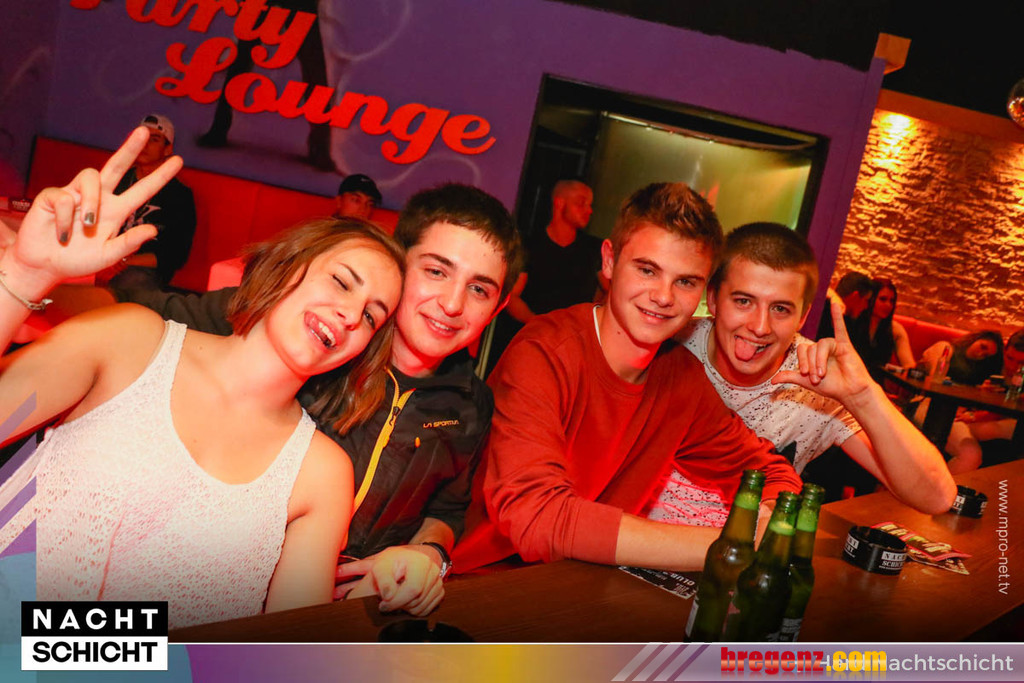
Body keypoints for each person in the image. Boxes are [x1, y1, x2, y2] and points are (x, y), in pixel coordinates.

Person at [0, 128, 405, 629]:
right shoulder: (130, 341)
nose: (350, 314)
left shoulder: (321, 473)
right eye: (342, 281)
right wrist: (23, 276)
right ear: (285, 266)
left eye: (371, 316)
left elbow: (290, 647)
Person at [111, 182, 524, 615]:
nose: (452, 303)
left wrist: (428, 556)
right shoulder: (314, 331)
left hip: (343, 614)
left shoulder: (471, 404)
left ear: (499, 307)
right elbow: (133, 313)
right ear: (399, 264)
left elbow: (447, 509)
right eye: (436, 271)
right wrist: (61, 276)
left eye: (480, 289)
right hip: (207, 589)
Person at [452, 183, 802, 574]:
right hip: (478, 582)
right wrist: (730, 546)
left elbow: (768, 470)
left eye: (686, 282)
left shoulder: (681, 378)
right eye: (647, 270)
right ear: (609, 261)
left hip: (579, 583)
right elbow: (536, 517)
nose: (664, 296)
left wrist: (770, 518)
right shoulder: (544, 352)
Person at [646, 223, 954, 525]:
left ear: (803, 316)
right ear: (713, 299)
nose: (760, 326)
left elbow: (936, 498)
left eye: (780, 309)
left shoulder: (818, 380)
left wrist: (862, 396)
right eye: (743, 301)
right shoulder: (668, 345)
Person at [486, 180, 601, 372]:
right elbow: (512, 296)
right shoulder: (530, 244)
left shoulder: (594, 249)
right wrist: (539, 324)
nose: (589, 210)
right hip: (531, 344)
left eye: (590, 205)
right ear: (559, 203)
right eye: (581, 203)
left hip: (574, 350)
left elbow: (611, 291)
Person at [103, 115, 197, 291]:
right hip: (105, 257)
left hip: (143, 269)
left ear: (167, 149)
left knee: (130, 281)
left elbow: (176, 255)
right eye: (143, 138)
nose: (145, 144)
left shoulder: (179, 194)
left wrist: (126, 260)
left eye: (154, 139)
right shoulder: (118, 180)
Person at [848, 278, 915, 377]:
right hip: (848, 378)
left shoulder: (895, 330)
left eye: (892, 301)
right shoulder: (853, 320)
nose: (888, 305)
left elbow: (909, 365)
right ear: (871, 299)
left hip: (875, 383)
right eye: (883, 299)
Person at [816, 270, 872, 340]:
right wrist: (832, 296)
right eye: (866, 300)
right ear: (855, 296)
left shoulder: (851, 323)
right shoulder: (821, 308)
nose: (866, 306)